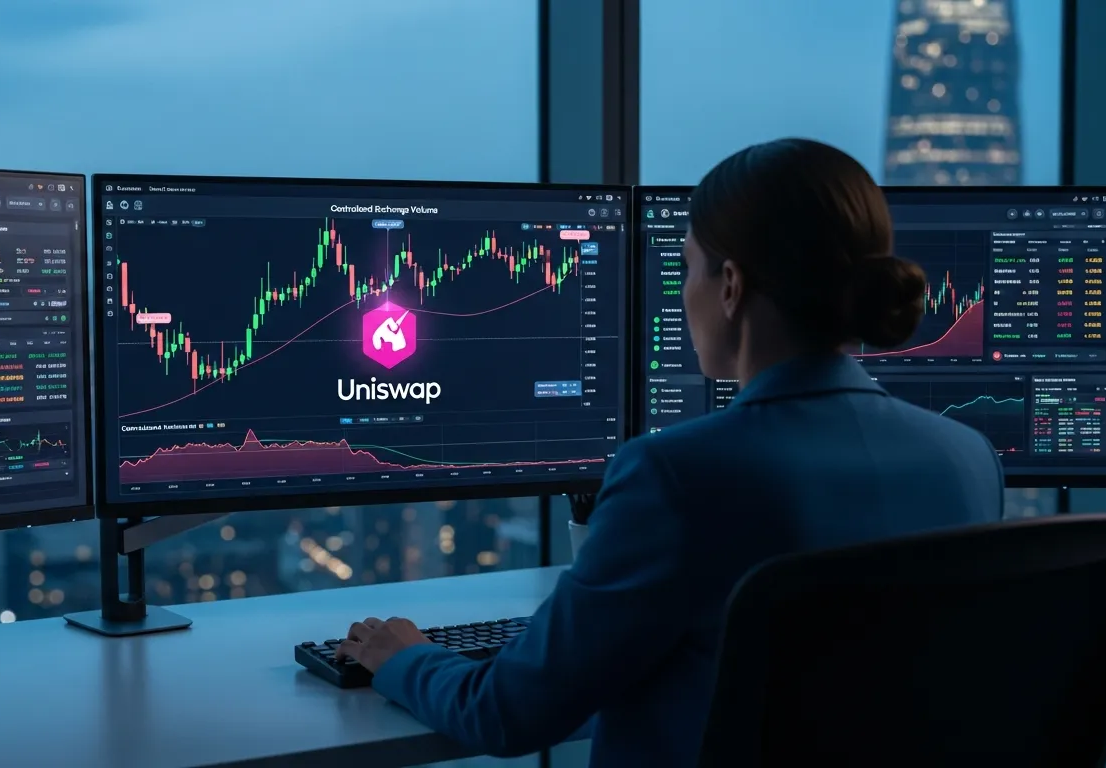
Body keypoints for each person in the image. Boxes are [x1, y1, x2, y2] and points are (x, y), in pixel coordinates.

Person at [334, 138, 1005, 766]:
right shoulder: (968, 458)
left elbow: (508, 714)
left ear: (732, 285)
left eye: (687, 267)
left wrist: (404, 656)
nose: (683, 294)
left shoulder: (679, 476)